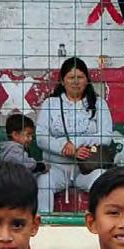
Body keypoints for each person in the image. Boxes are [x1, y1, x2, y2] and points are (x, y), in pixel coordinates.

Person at [33, 57, 116, 212]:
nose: (76, 82)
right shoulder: (50, 104)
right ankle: (44, 223)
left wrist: (77, 144)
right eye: (71, 77)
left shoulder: (99, 104)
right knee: (43, 182)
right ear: (62, 81)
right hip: (56, 167)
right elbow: (41, 138)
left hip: (88, 168)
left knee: (102, 181)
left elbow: (106, 136)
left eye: (80, 77)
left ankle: (99, 221)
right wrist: (64, 148)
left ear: (87, 80)